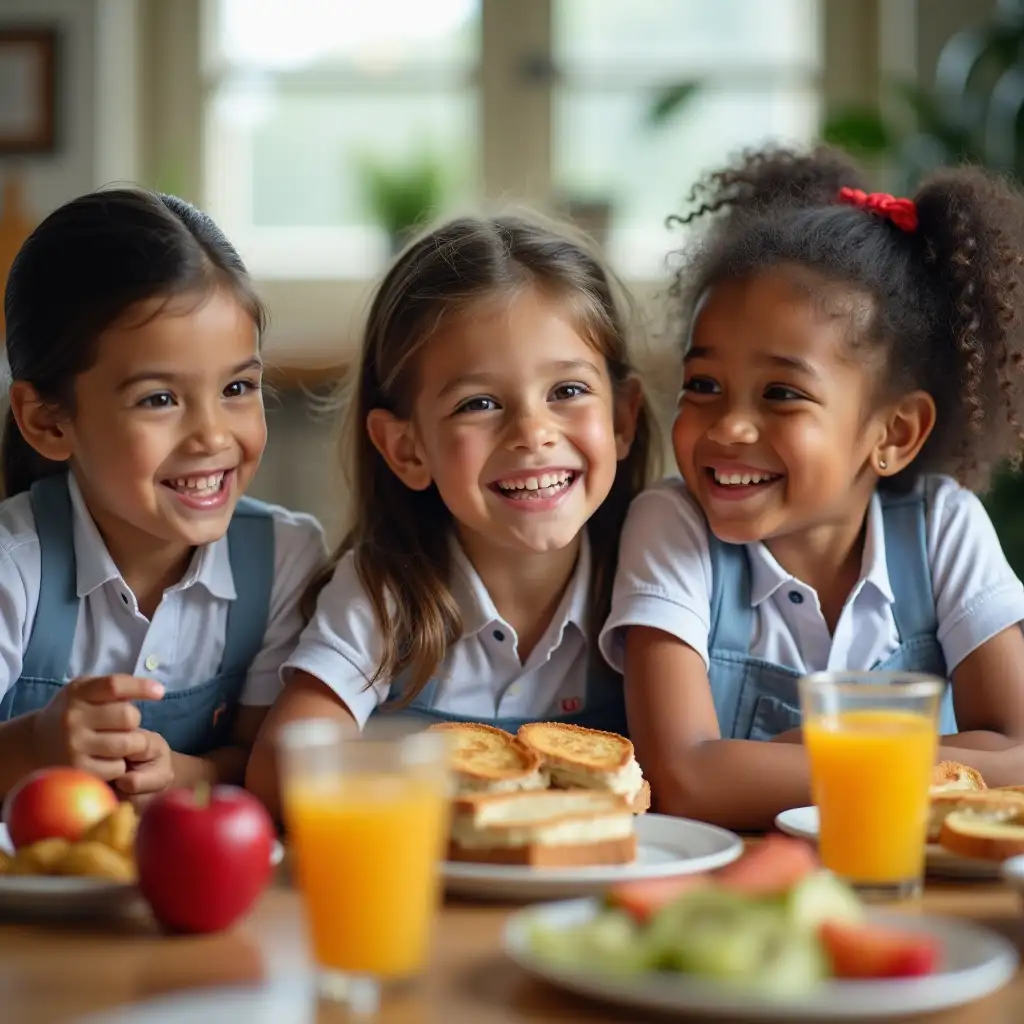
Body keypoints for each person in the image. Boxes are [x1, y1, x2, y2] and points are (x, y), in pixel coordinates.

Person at [600, 146, 1024, 830]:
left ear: (894, 433)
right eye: (703, 385)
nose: (730, 427)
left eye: (781, 394)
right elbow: (684, 780)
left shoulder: (944, 527)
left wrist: (806, 754)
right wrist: (924, 761)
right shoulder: (672, 526)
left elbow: (1022, 756)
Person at [246, 213, 653, 817]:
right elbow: (285, 765)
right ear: (408, 449)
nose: (532, 434)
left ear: (621, 420)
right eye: (480, 403)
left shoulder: (652, 581)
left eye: (567, 391)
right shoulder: (384, 593)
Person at [0, 188, 325, 801]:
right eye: (159, 399)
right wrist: (33, 748)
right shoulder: (13, 567)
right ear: (47, 421)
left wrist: (185, 773)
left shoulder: (285, 558)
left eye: (237, 387)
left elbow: (261, 760)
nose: (211, 436)